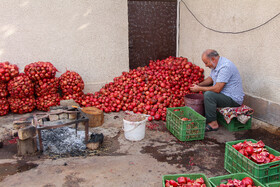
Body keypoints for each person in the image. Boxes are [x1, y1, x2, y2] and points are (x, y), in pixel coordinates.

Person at [190, 49, 244, 132]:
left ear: (213, 59)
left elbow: (218, 88)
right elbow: (211, 78)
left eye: (206, 63)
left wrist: (199, 88)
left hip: (233, 99)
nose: (205, 65)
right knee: (206, 91)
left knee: (209, 95)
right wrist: (200, 84)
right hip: (224, 94)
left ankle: (213, 123)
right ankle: (208, 116)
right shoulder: (216, 65)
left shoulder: (225, 67)